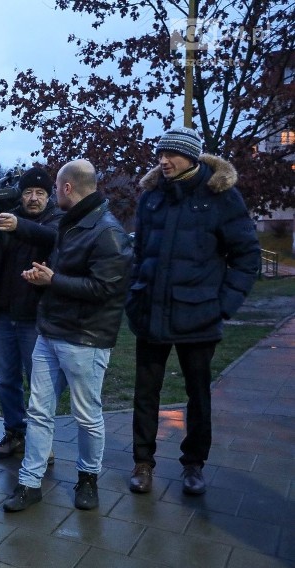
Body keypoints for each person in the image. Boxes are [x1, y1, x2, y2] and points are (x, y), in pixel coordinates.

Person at [126, 127, 260, 496]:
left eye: (172, 155)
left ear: (192, 157)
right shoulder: (151, 197)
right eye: (160, 154)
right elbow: (139, 256)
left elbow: (248, 259)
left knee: (198, 394)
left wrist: (224, 306)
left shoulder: (221, 196)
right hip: (151, 313)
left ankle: (194, 464)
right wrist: (133, 295)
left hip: (199, 318)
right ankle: (142, 462)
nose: (163, 161)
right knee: (145, 393)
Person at [3, 159, 132, 512]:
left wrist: (52, 280)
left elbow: (106, 288)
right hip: (50, 332)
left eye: (56, 187)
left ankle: (88, 478)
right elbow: (59, 255)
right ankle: (30, 483)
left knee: (87, 415)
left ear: (67, 188)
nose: (52, 193)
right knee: (39, 411)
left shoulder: (107, 232)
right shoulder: (72, 223)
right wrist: (44, 273)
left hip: (85, 339)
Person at [0, 167, 63, 460]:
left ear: (49, 196)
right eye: (27, 192)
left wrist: (17, 226)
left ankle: (41, 442)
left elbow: (51, 238)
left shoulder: (58, 219)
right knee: (5, 381)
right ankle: (15, 434)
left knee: (39, 382)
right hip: (4, 313)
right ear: (20, 195)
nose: (33, 198)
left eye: (40, 193)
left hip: (35, 317)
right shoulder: (8, 219)